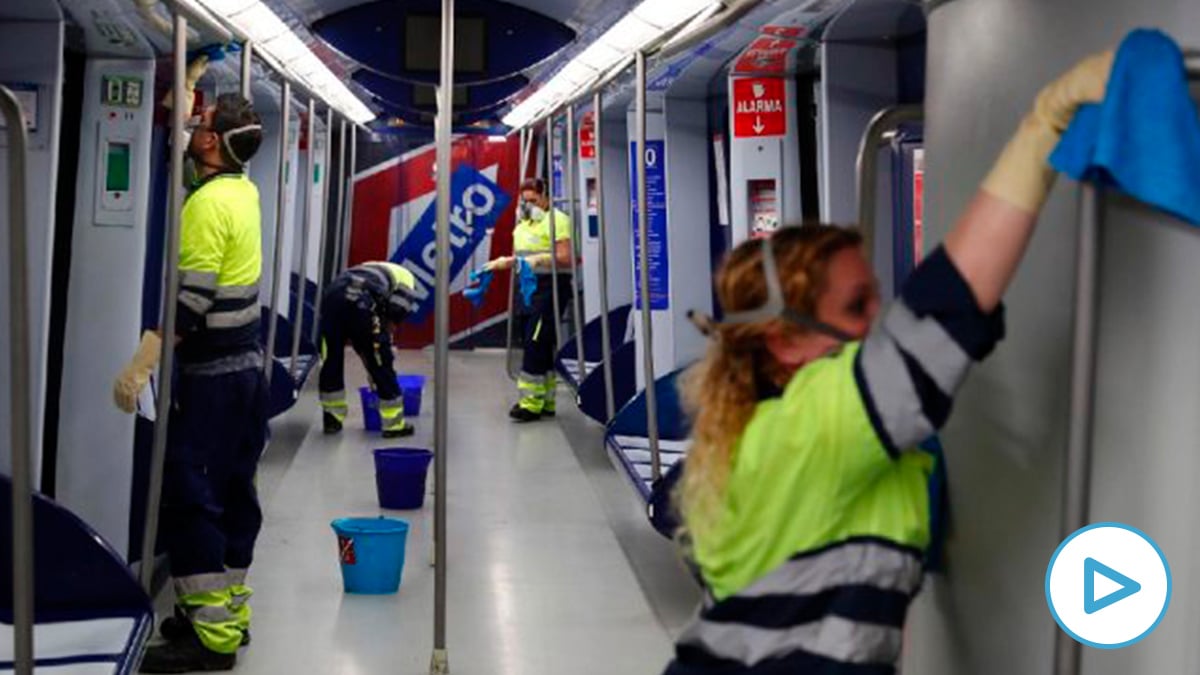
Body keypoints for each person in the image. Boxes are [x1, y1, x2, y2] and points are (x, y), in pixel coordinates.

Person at [663, 50, 1113, 674]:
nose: (878, 322)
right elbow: (946, 309)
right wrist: (1045, 125)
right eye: (856, 307)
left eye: (877, 298)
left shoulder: (758, 437)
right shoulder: (810, 424)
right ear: (785, 341)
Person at [113, 92, 267, 672]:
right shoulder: (242, 191)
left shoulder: (204, 207)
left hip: (212, 380)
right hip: (246, 371)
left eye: (198, 126)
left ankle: (210, 640)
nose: (193, 132)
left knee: (192, 496)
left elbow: (192, 298)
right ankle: (225, 613)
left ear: (209, 143)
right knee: (232, 493)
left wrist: (144, 360)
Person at [484, 177, 575, 422]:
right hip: (527, 287)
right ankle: (546, 400)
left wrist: (542, 259)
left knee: (536, 342)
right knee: (536, 342)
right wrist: (505, 262)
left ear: (545, 197)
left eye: (533, 201)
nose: (528, 206)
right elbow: (521, 256)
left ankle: (530, 403)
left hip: (550, 288)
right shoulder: (523, 224)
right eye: (524, 201)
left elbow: (567, 257)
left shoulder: (557, 220)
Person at [318, 261, 417, 437]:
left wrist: (367, 351)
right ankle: (394, 425)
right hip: (362, 300)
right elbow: (394, 314)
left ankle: (332, 418)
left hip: (332, 296)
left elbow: (360, 338)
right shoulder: (408, 280)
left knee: (331, 358)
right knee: (381, 361)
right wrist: (380, 351)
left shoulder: (369, 268)